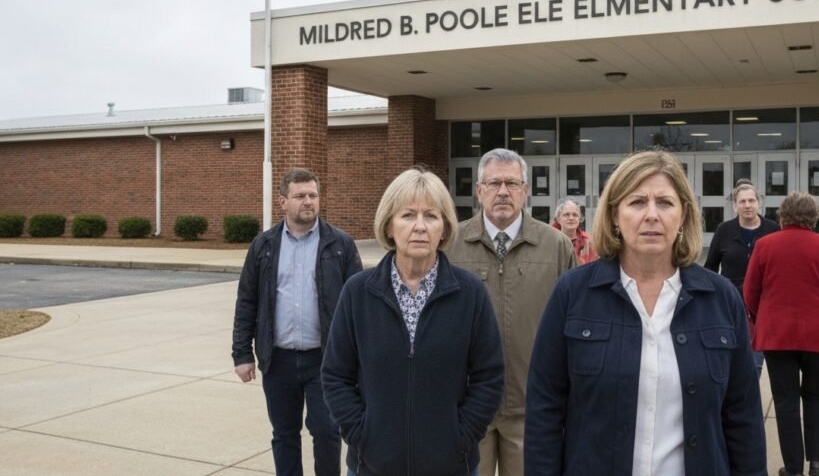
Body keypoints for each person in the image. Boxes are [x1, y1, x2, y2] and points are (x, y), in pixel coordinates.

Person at [525, 150, 767, 476]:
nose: (651, 215)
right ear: (614, 215)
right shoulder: (572, 293)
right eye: (637, 202)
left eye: (665, 203)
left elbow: (744, 417)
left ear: (683, 215)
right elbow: (545, 409)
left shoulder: (720, 299)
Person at [321, 167, 504, 476]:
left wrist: (460, 436)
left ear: (444, 228)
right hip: (372, 466)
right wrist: (361, 434)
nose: (420, 226)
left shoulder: (470, 293)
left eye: (431, 216)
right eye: (407, 215)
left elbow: (489, 377)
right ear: (389, 226)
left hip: (451, 465)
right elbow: (335, 376)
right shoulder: (358, 292)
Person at [448, 148, 577, 476]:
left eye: (512, 183)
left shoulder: (556, 246)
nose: (503, 192)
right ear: (479, 191)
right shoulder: (450, 245)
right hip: (467, 405)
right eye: (493, 184)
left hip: (531, 407)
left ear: (526, 189)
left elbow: (574, 325)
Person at [232, 168, 363, 476]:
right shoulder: (263, 246)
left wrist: (359, 357)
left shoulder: (341, 244)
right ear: (283, 202)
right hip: (278, 360)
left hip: (326, 361)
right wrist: (241, 354)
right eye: (300, 196)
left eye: (313, 195)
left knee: (328, 432)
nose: (308, 201)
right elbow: (247, 301)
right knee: (285, 435)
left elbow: (359, 307)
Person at [744, 191, 819, 476]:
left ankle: (793, 467)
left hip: (777, 333)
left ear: (783, 215)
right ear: (814, 216)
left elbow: (750, 291)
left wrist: (760, 318)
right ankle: (816, 462)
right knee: (816, 394)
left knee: (785, 400)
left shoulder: (764, 245)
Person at [704, 178, 780, 376]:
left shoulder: (773, 229)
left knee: (755, 360)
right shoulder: (724, 230)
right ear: (734, 206)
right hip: (732, 300)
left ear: (759, 202)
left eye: (751, 201)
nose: (747, 205)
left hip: (763, 303)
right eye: (742, 202)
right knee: (732, 355)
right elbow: (711, 267)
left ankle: (748, 401)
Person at [551, 197, 598, 265]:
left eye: (575, 215)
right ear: (558, 218)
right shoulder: (550, 240)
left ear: (580, 219)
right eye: (566, 214)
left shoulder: (589, 241)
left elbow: (596, 267)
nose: (571, 218)